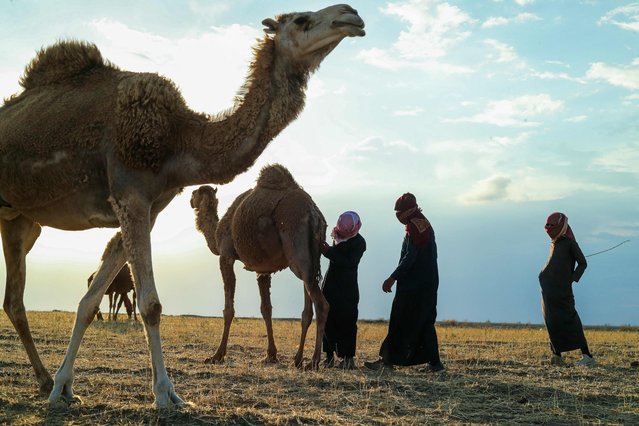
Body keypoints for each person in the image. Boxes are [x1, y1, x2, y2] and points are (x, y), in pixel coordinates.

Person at [364, 193, 444, 372]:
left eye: (399, 213)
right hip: (429, 283)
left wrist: (392, 278)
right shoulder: (423, 223)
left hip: (413, 285)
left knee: (399, 320)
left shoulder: (415, 228)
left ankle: (387, 362)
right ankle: (436, 364)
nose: (397, 217)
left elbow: (410, 257)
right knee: (425, 322)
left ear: (409, 211)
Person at [539, 212, 595, 367]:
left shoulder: (570, 243)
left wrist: (571, 278)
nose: (548, 228)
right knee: (551, 320)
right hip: (549, 292)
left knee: (570, 319)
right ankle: (556, 356)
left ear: (561, 225)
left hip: (562, 291)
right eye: (547, 225)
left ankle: (587, 356)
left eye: (552, 225)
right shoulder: (554, 243)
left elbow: (583, 263)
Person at [320, 211, 366, 369]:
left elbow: (350, 262)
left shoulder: (359, 243)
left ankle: (348, 359)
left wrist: (328, 252)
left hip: (347, 289)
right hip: (331, 285)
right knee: (328, 322)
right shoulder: (337, 236)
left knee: (347, 322)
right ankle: (328, 357)